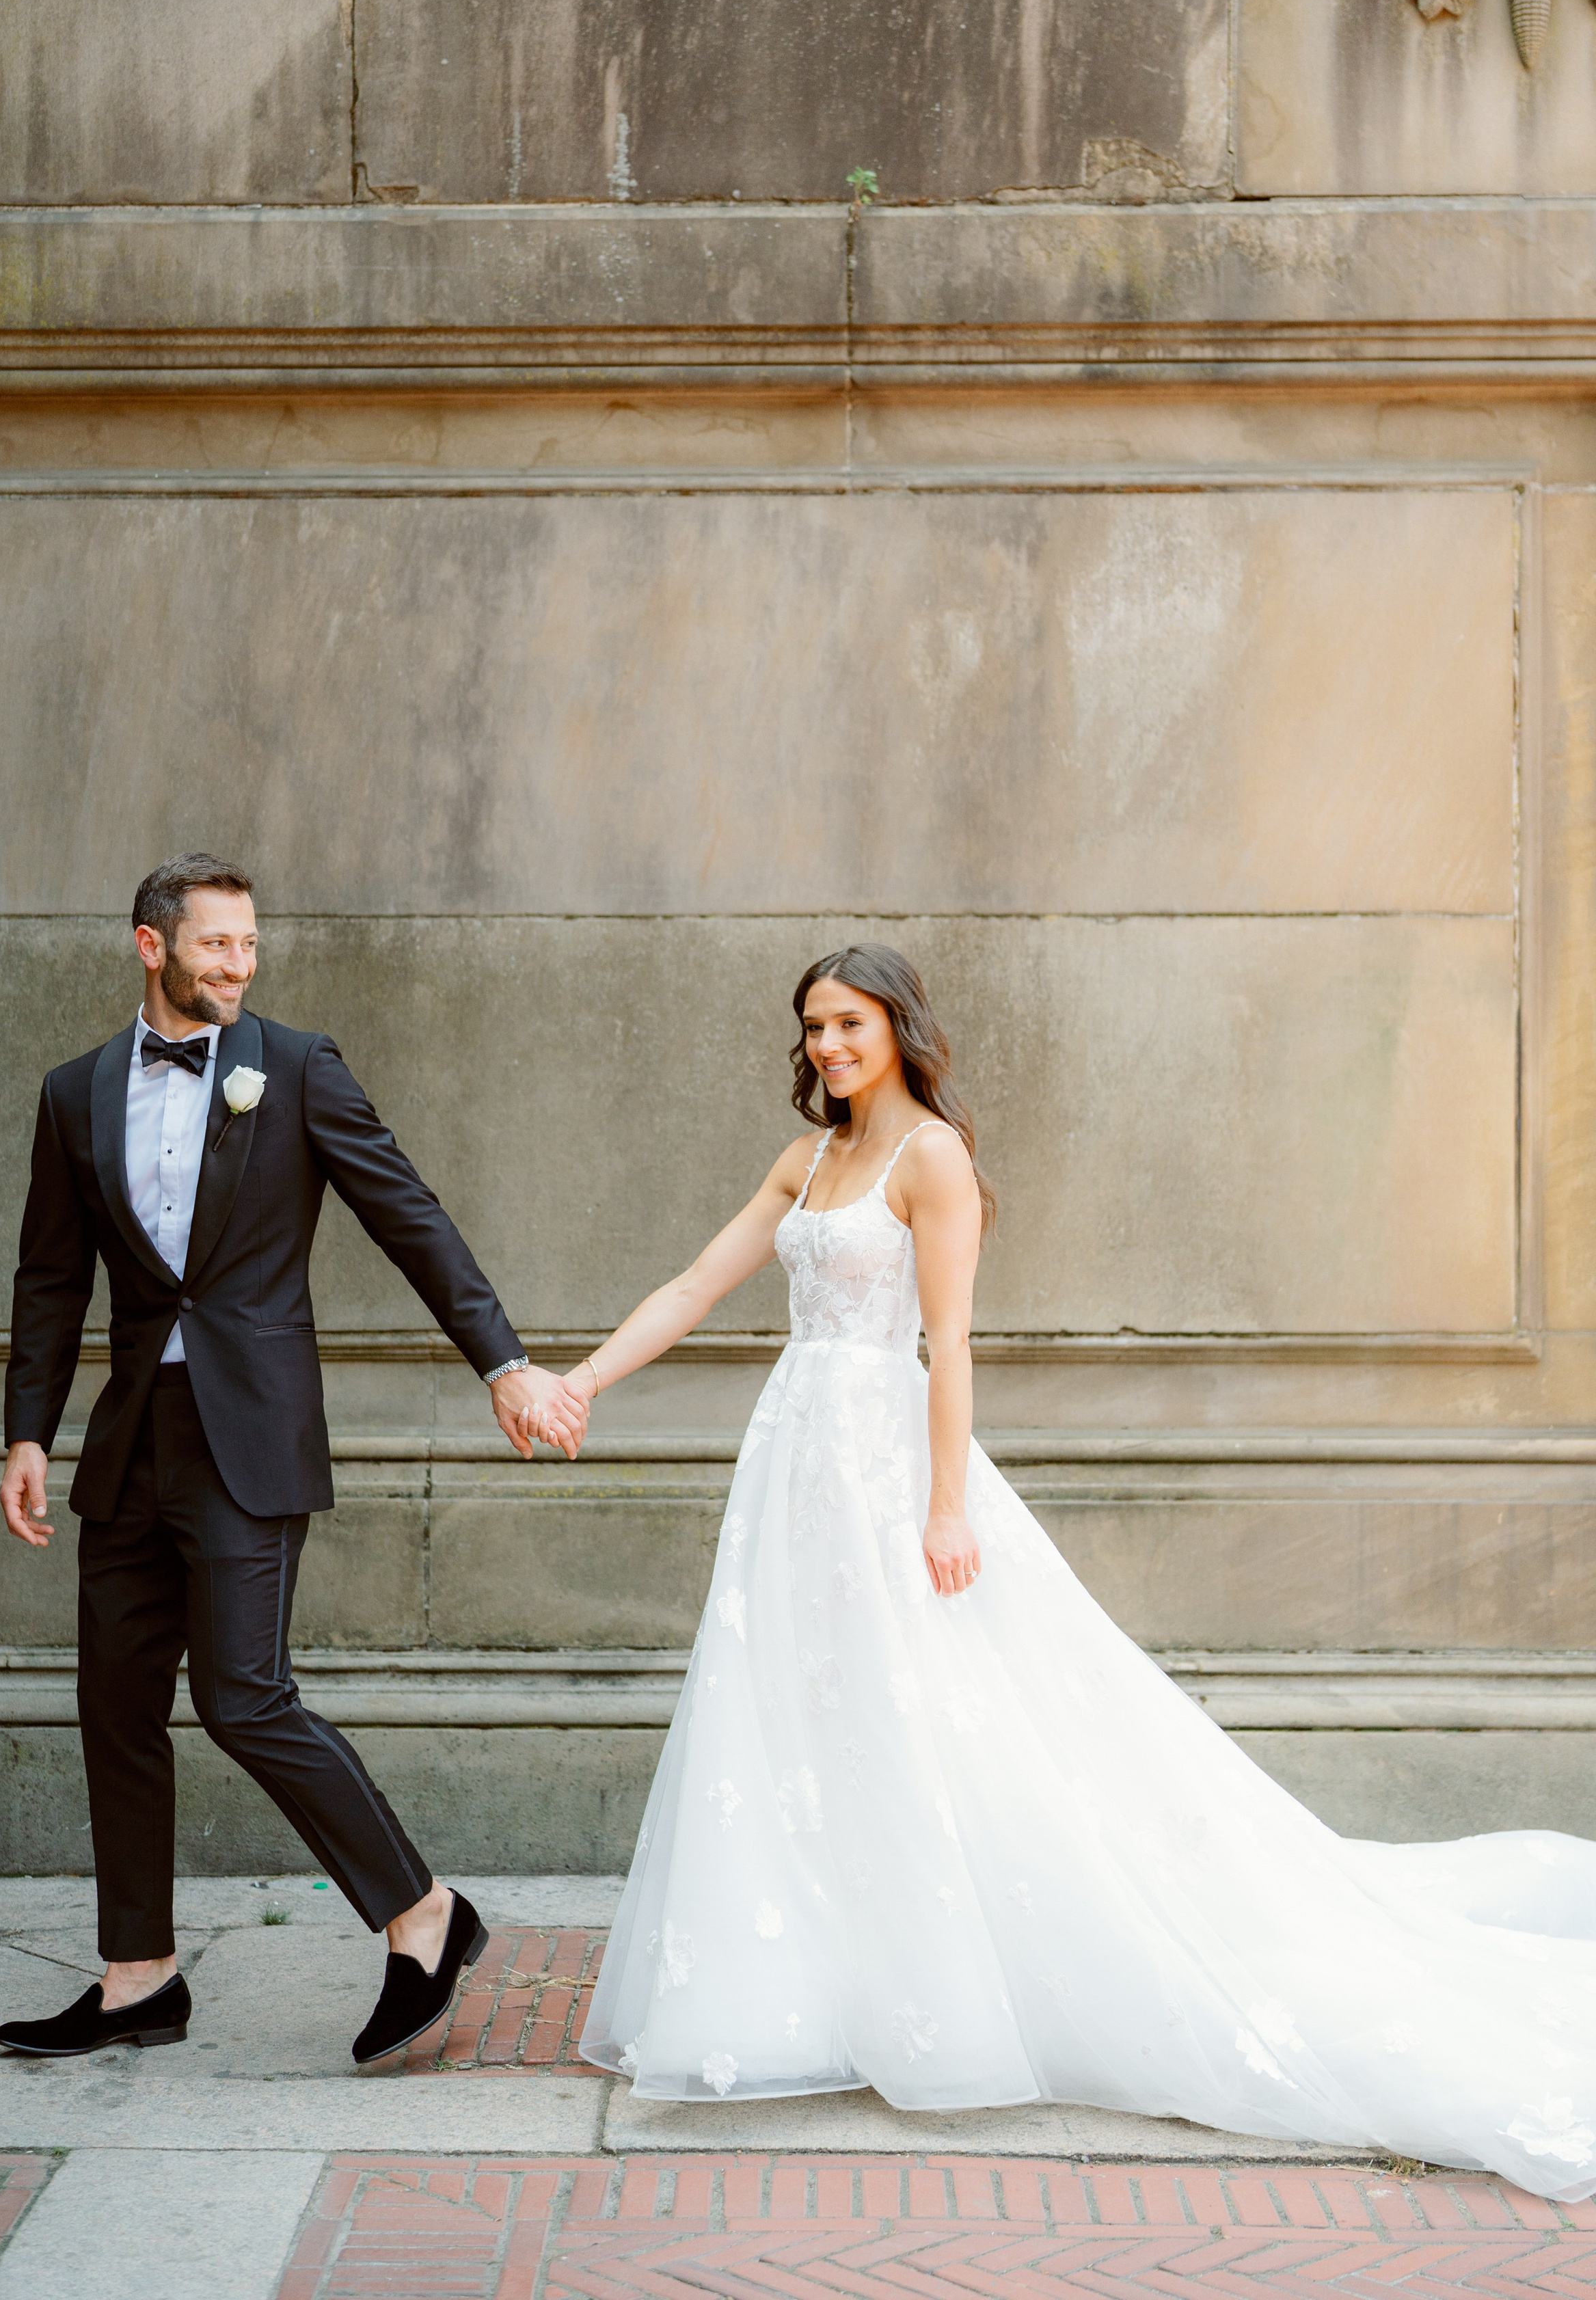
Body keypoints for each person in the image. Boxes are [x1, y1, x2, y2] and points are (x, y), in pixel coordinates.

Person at [569, 943, 1596, 2199]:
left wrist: (948, 1509)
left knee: (925, 1706)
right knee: (809, 1704)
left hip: (886, 1462)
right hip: (795, 1462)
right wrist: (583, 1382)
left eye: (849, 1023)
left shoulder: (931, 1160)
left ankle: (944, 1982)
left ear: (897, 1028)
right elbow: (694, 1282)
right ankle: (827, 1979)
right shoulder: (807, 1158)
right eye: (814, 1027)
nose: (828, 1045)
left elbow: (950, 1343)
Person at [0, 852, 590, 2068]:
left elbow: (409, 1215)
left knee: (243, 1696)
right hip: (128, 1443)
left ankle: (422, 1912)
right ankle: (138, 1978)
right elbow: (51, 1275)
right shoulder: (74, 1092)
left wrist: (504, 1363)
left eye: (250, 944)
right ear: (153, 945)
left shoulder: (299, 1067)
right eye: (217, 943)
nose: (240, 963)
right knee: (115, 1701)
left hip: (250, 1436)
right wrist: (27, 1431)